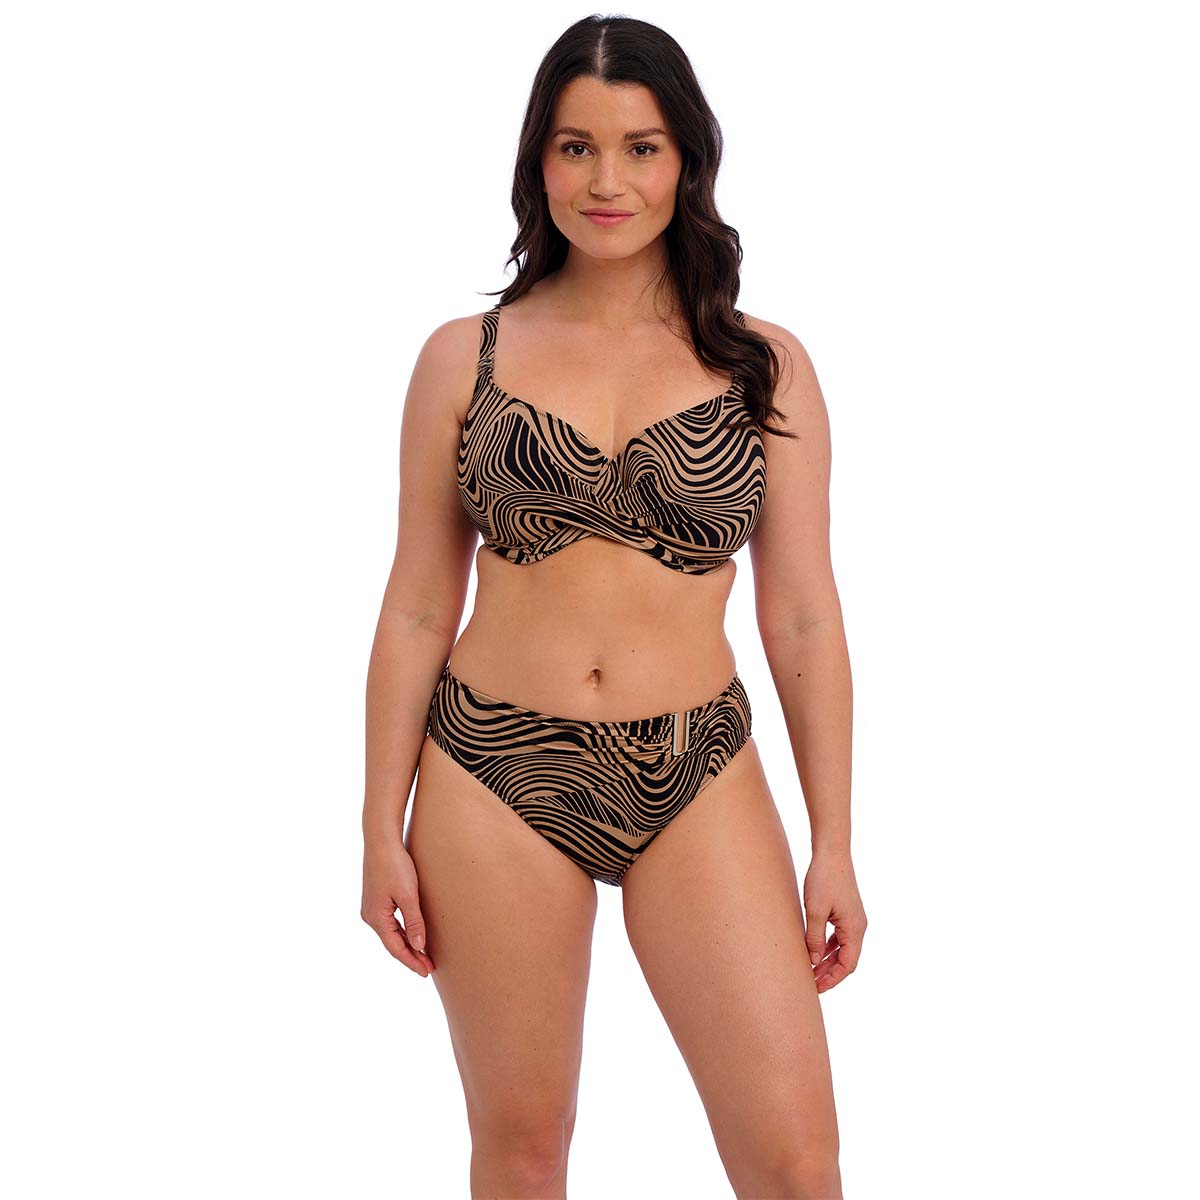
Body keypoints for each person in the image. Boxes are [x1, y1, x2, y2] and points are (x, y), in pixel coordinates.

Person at [361, 15, 866, 1199]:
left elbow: (803, 618)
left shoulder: (764, 367)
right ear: (538, 161)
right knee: (523, 1152)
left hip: (696, 763)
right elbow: (418, 605)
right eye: (575, 147)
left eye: (640, 148)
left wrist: (834, 842)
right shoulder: (464, 358)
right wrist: (378, 824)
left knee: (798, 1162)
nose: (607, 182)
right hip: (492, 768)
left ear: (687, 160)